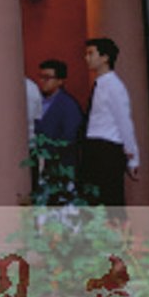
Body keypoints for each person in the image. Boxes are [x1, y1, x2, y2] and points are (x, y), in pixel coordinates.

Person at [80, 36, 140, 205]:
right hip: (94, 147)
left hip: (108, 148)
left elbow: (124, 122)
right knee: (94, 201)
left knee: (109, 200)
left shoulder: (114, 86)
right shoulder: (100, 84)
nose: (87, 58)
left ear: (105, 57)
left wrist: (133, 158)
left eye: (91, 53)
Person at [31, 59, 85, 201]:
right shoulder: (37, 100)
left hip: (62, 166)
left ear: (60, 81)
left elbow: (70, 137)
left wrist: (49, 151)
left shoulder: (68, 106)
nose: (42, 81)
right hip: (40, 166)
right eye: (41, 77)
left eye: (47, 78)